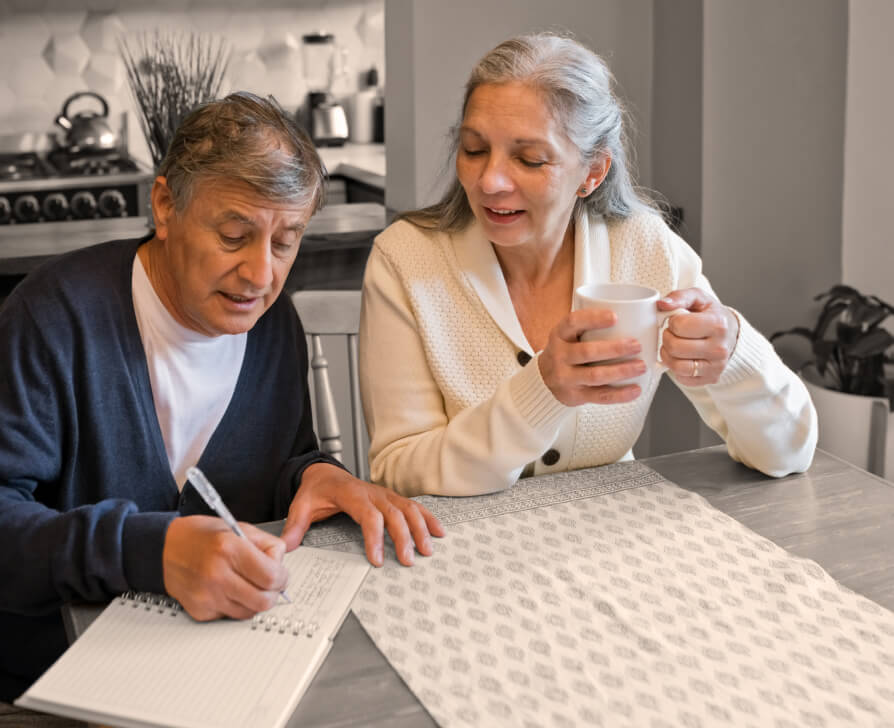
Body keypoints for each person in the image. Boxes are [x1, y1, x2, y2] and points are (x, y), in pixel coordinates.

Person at [0, 91, 442, 702]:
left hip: (220, 675)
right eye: (234, 236)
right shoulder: (53, 316)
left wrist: (315, 474)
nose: (260, 275)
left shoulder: (274, 326)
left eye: (285, 242)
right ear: (165, 206)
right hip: (56, 684)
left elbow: (273, 464)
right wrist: (149, 551)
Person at [359, 33, 817, 497]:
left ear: (593, 172)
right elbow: (400, 472)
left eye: (530, 160)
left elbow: (788, 453)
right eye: (474, 150)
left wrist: (734, 354)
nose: (490, 181)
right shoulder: (405, 260)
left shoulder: (644, 248)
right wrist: (541, 391)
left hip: (613, 531)